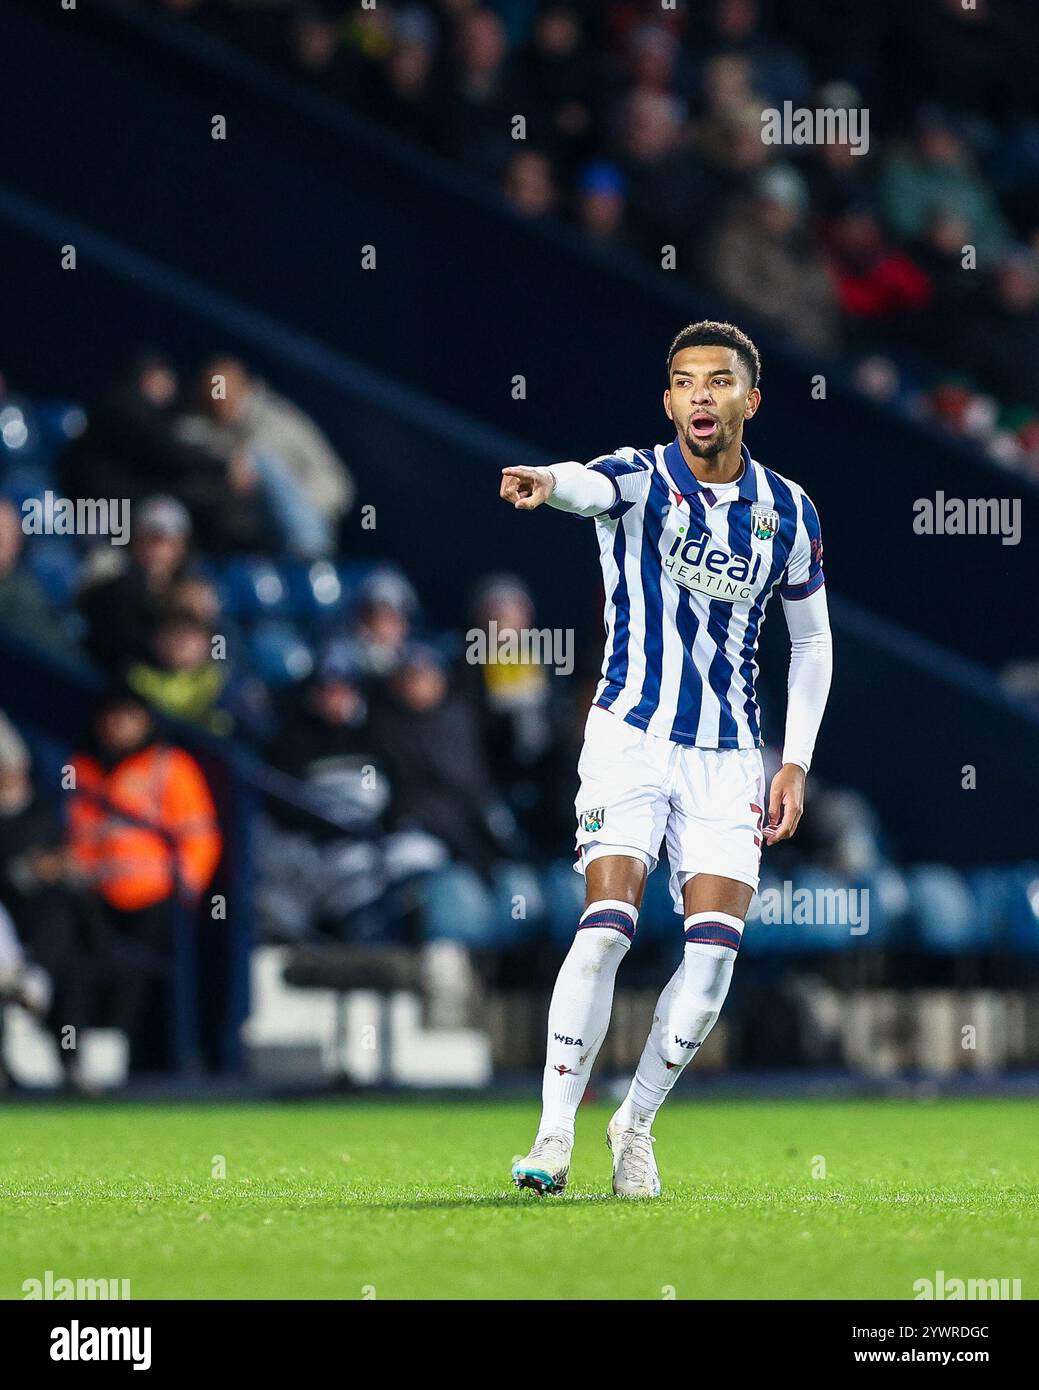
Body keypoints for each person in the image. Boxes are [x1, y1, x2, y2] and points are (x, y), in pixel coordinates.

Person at [499, 320, 832, 1197]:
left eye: (716, 380)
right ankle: (552, 1134)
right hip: (630, 737)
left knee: (714, 957)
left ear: (749, 399)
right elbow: (585, 484)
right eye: (683, 382)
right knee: (606, 925)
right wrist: (548, 481)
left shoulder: (788, 510)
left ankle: (634, 1124)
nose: (698, 395)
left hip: (728, 757)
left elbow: (810, 641)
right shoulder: (640, 477)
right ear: (668, 400)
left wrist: (793, 761)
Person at [66, 690, 222, 1071]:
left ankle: (139, 1059)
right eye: (110, 716)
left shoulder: (170, 765)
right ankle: (75, 1057)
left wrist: (185, 888)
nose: (117, 726)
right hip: (94, 897)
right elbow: (76, 836)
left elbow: (200, 837)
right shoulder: (81, 769)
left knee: (143, 974)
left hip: (157, 898)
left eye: (126, 716)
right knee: (70, 955)